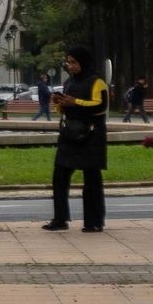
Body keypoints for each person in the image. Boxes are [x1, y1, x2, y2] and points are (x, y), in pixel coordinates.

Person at [43, 46, 108, 233]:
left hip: (91, 136)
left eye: (74, 62)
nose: (70, 66)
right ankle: (60, 219)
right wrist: (60, 103)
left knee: (91, 180)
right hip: (70, 135)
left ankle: (93, 222)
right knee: (59, 176)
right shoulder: (69, 83)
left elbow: (100, 106)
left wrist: (75, 102)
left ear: (83, 62)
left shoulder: (97, 82)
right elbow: (66, 109)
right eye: (68, 62)